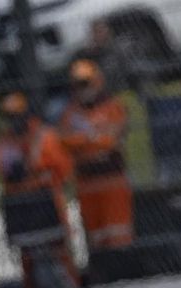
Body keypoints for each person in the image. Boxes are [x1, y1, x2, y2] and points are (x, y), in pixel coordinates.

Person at [0, 92, 77, 288]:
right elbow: (1, 167)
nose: (13, 121)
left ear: (26, 114)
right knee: (27, 259)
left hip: (45, 201)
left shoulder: (44, 136)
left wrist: (36, 173)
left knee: (58, 252)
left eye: (16, 116)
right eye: (9, 117)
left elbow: (63, 170)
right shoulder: (5, 142)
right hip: (20, 205)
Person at [58, 60, 133, 254]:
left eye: (85, 83)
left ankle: (124, 264)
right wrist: (93, 139)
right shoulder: (70, 113)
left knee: (118, 234)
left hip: (112, 179)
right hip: (86, 182)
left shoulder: (112, 107)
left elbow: (112, 140)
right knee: (96, 237)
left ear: (96, 81)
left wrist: (85, 141)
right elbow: (66, 142)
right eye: (77, 85)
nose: (82, 90)